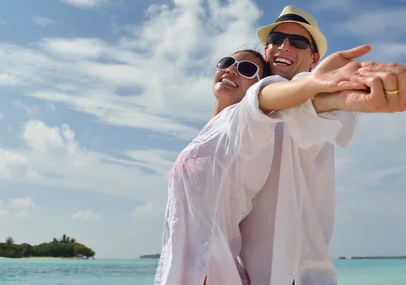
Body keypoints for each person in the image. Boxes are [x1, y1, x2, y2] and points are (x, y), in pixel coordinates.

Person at [237, 6, 406, 285]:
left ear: (314, 58)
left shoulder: (308, 92)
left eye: (299, 42)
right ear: (266, 51)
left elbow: (317, 105)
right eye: (277, 39)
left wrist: (339, 92)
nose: (284, 46)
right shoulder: (245, 111)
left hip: (300, 278)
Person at [153, 46, 379, 285]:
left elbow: (265, 101)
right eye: (226, 62)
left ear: (261, 85)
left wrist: (316, 86)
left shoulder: (248, 125)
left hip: (210, 274)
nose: (231, 70)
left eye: (246, 69)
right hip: (182, 272)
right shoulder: (210, 133)